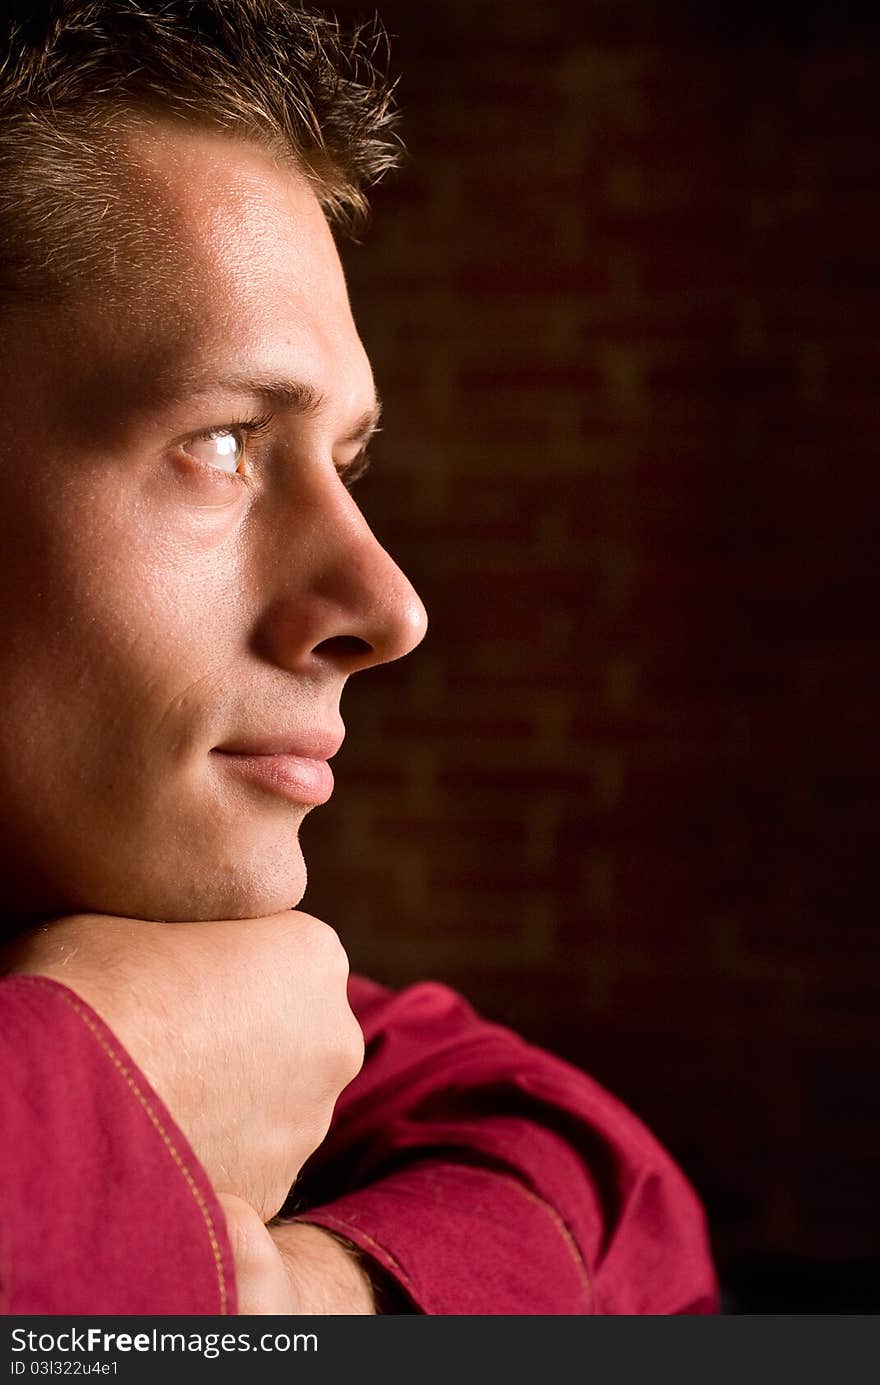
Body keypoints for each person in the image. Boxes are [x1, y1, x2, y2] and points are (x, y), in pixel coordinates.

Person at [0, 0, 718, 1316]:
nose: (389, 606)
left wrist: (314, 1299)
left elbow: (626, 1210)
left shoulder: (200, 983)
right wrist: (93, 1077)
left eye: (346, 459)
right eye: (219, 442)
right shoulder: (115, 1017)